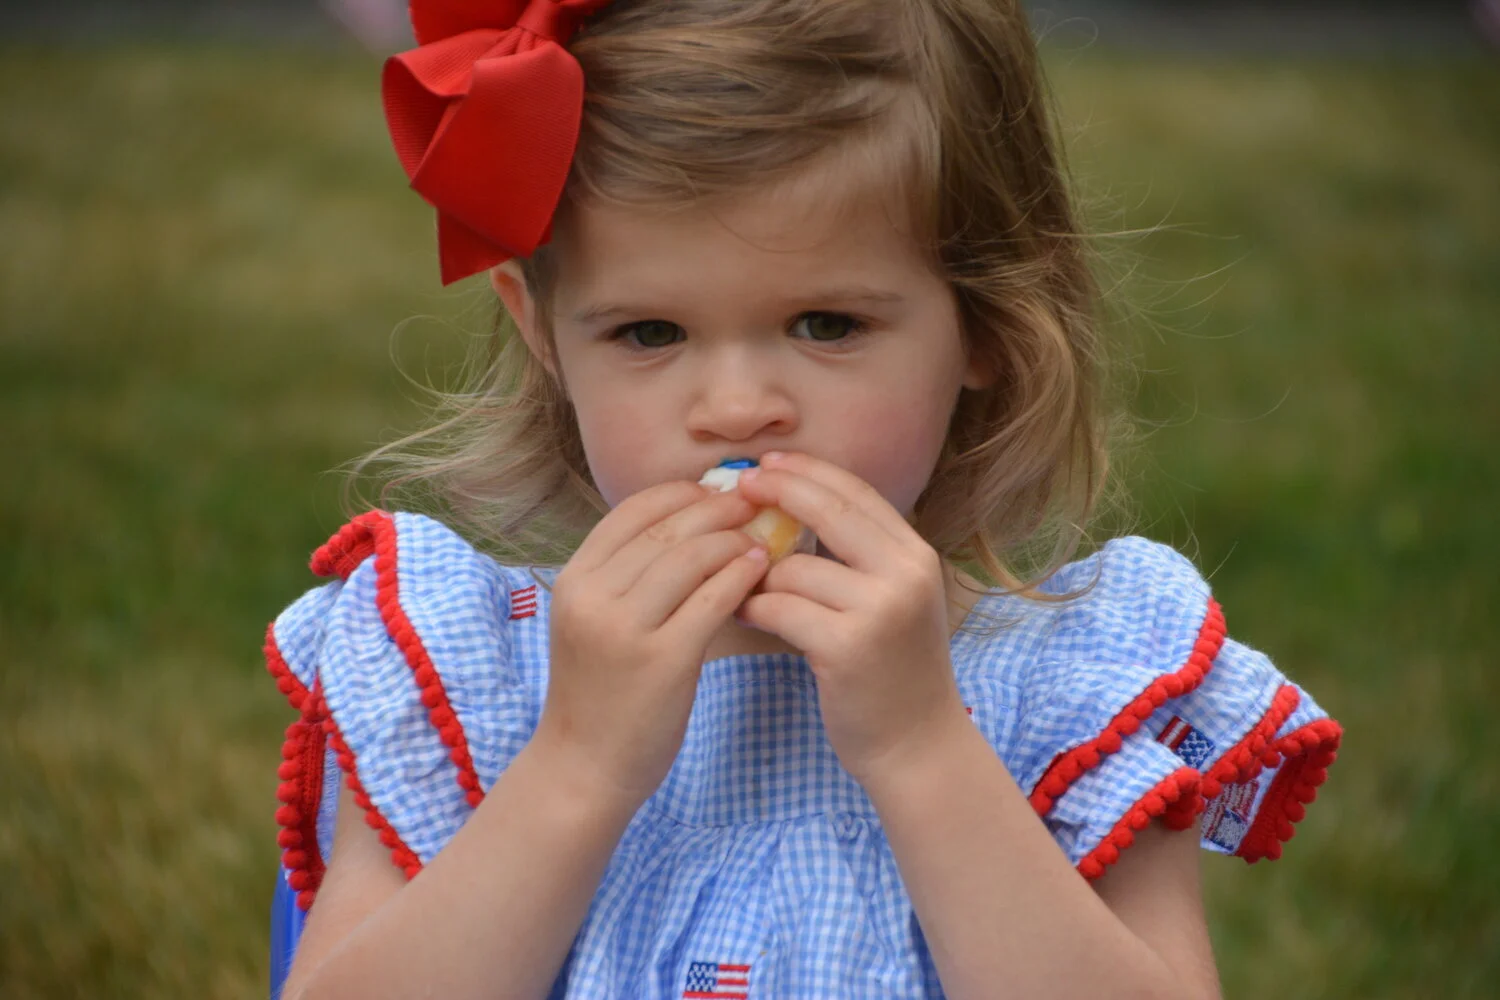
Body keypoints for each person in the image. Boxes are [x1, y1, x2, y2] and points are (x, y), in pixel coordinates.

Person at [263, 1, 1342, 997]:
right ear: (544, 333)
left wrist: (923, 749)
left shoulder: (1075, 691)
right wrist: (577, 766)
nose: (738, 410)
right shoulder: (467, 673)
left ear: (984, 324)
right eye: (650, 332)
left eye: (827, 324)